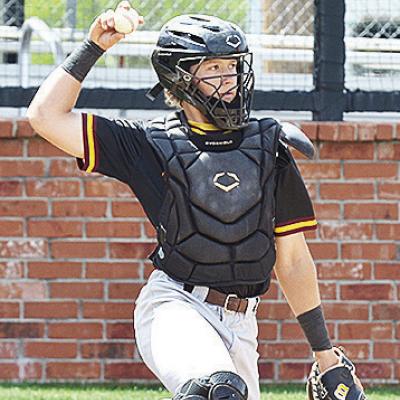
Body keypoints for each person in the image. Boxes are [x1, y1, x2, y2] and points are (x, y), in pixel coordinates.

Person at [27, 2, 366, 399]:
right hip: (175, 306)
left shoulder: (268, 145)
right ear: (181, 78)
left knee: (228, 388)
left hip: (242, 323)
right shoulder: (148, 144)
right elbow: (45, 116)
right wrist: (94, 46)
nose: (230, 79)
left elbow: (291, 260)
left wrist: (325, 354)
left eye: (232, 67)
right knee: (217, 391)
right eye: (213, 68)